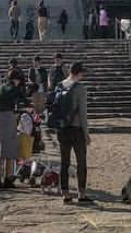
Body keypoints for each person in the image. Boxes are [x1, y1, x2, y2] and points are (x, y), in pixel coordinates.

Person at [51, 61, 92, 205]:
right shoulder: (80, 88)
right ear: (79, 73)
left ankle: (65, 192)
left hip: (62, 128)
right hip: (76, 129)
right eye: (83, 72)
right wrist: (86, 133)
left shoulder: (59, 85)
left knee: (64, 162)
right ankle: (81, 192)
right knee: (81, 162)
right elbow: (82, 113)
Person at [0, 68, 27, 188]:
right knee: (10, 150)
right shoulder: (15, 89)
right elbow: (24, 100)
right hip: (9, 117)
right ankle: (8, 178)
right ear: (16, 80)